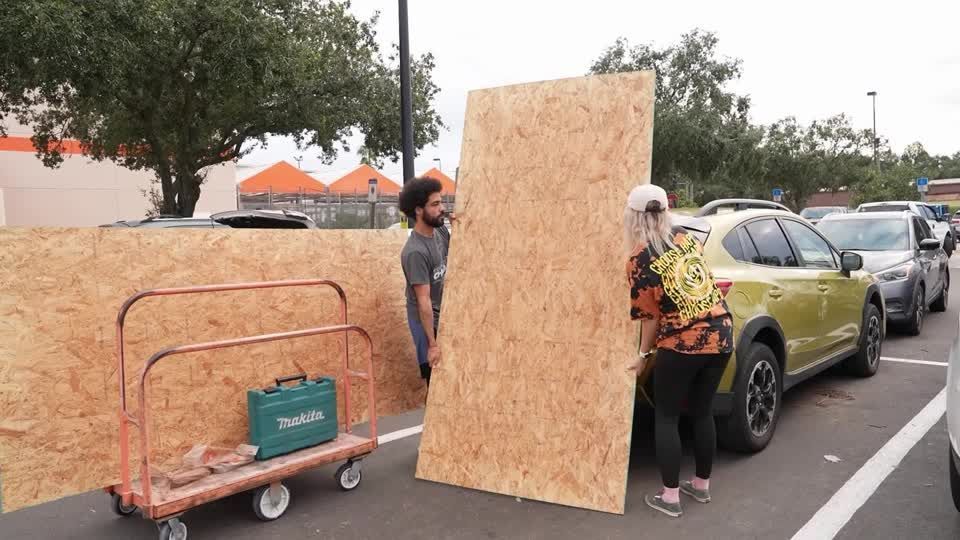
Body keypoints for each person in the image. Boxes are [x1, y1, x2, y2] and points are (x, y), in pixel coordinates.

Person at [624, 184, 734, 518]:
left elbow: (649, 318)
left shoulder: (639, 259)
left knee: (667, 417)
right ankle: (700, 487)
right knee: (702, 412)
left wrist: (642, 356)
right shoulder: (686, 239)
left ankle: (669, 497)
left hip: (683, 344)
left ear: (633, 217)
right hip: (722, 335)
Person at [399, 176, 451, 385]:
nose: (442, 208)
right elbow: (423, 301)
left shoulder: (440, 231)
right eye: (435, 204)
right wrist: (432, 344)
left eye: (441, 202)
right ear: (419, 210)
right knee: (436, 380)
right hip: (425, 322)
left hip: (444, 314)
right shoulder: (415, 252)